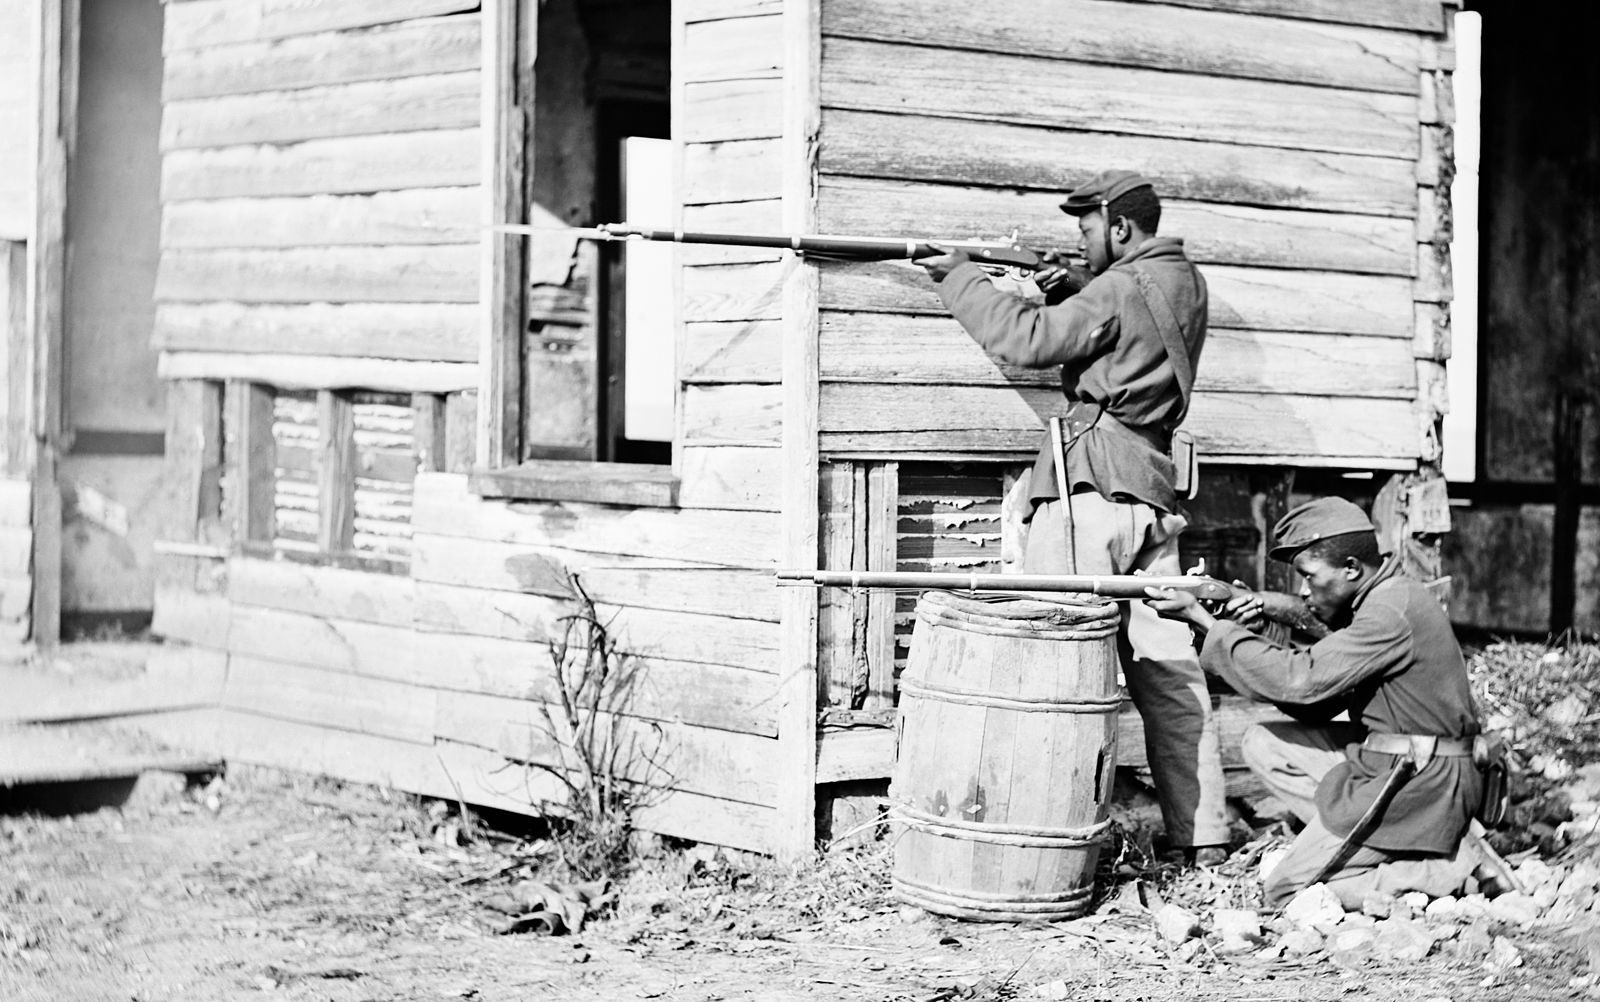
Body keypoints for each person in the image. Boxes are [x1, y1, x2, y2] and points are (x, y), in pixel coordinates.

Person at [917, 170, 1230, 863]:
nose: (1082, 242)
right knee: (1170, 671)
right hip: (1153, 496)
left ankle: (1045, 845)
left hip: (1089, 494)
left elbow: (1024, 342)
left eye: (1088, 230)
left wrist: (962, 277)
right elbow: (1129, 339)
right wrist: (1076, 290)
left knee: (1054, 668)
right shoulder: (1183, 281)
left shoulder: (1117, 288)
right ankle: (1202, 838)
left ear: (1121, 228)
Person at [1142, 497, 1487, 908]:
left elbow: (1300, 681)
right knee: (1264, 742)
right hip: (1398, 764)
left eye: (1309, 576)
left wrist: (1205, 622)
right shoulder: (1386, 598)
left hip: (1422, 780)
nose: (1303, 591)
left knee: (1283, 889)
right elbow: (1318, 701)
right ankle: (1382, 842)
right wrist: (1259, 620)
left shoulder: (1388, 612)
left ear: (1352, 569)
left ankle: (1445, 868)